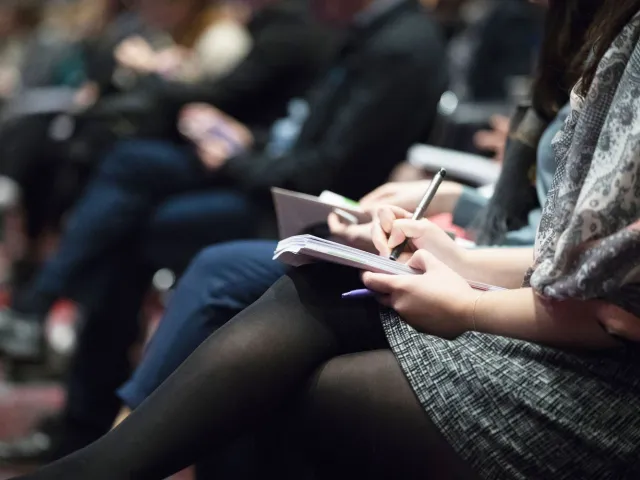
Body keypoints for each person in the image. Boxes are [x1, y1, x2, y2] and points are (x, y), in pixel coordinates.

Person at [12, 1, 640, 478]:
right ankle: (91, 437)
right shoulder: (594, 42)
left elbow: (612, 306)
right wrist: (457, 254)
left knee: (271, 343)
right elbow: (570, 256)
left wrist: (469, 294)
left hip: (605, 384)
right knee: (280, 263)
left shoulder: (402, 42)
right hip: (545, 301)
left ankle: (93, 445)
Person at [0, 0, 447, 463]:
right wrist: (244, 140)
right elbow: (299, 135)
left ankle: (102, 438)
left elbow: (325, 171)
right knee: (130, 174)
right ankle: (91, 424)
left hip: (319, 214)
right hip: (278, 181)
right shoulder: (361, 31)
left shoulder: (394, 44)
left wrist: (236, 158)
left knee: (162, 237)